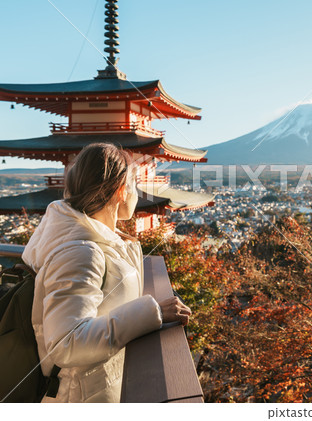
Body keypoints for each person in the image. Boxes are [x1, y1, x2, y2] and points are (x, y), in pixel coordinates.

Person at [22, 142, 191, 403]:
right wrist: (153, 313)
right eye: (134, 186)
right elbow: (67, 343)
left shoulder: (99, 239)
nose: (137, 193)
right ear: (120, 191)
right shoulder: (80, 252)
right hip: (79, 397)